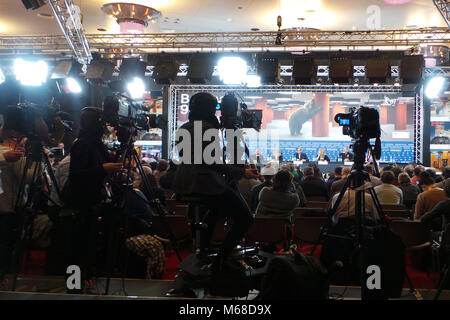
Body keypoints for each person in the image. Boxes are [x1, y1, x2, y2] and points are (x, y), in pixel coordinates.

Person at [173, 92, 253, 272]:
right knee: (245, 218)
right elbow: (210, 162)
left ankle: (205, 249)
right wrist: (241, 171)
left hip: (185, 183)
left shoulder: (185, 127)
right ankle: (221, 259)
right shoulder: (207, 129)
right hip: (205, 184)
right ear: (209, 109)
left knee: (216, 208)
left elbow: (186, 156)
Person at [64, 106, 123, 291]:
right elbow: (76, 174)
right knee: (79, 245)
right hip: (82, 200)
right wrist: (103, 169)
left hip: (92, 199)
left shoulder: (95, 143)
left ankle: (85, 278)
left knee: (88, 243)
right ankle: (73, 285)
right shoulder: (82, 143)